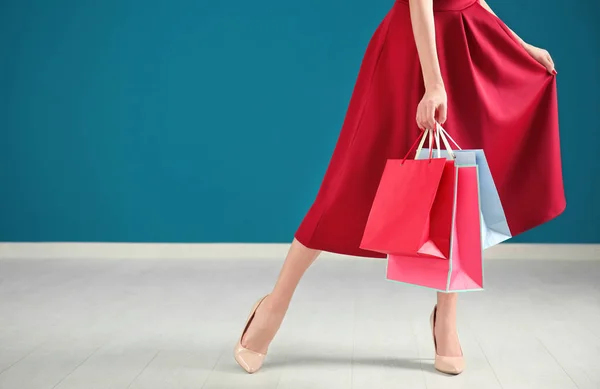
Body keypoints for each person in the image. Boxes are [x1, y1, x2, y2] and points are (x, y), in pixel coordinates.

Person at [234, 0, 565, 376]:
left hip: (466, 40)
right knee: (350, 184)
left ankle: (447, 318)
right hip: (414, 45)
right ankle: (274, 304)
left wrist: (519, 43)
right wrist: (434, 83)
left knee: (456, 184)